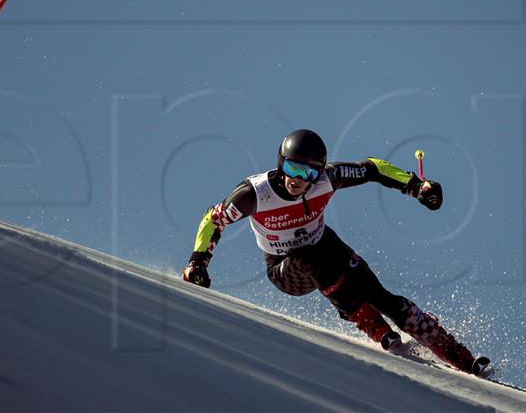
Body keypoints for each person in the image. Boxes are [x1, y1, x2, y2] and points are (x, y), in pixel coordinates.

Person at [182, 129, 489, 375]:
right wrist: (198, 264)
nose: (299, 181)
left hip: (325, 246)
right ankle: (368, 322)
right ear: (280, 163)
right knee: (308, 257)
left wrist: (416, 186)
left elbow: (371, 168)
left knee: (381, 295)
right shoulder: (255, 194)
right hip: (284, 270)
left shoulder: (327, 179)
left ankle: (457, 354)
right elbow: (214, 220)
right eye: (292, 168)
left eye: (309, 174)